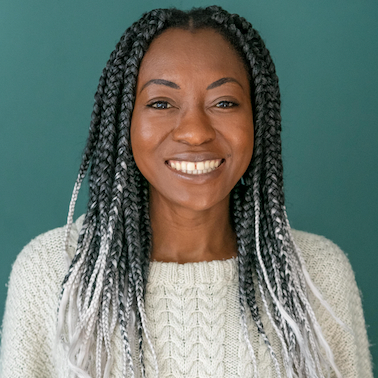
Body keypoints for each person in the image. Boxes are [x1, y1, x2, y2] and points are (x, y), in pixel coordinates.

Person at [0, 6, 372, 378]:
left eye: (224, 102)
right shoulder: (53, 275)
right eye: (161, 103)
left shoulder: (316, 277)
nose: (194, 131)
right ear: (123, 122)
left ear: (258, 119)